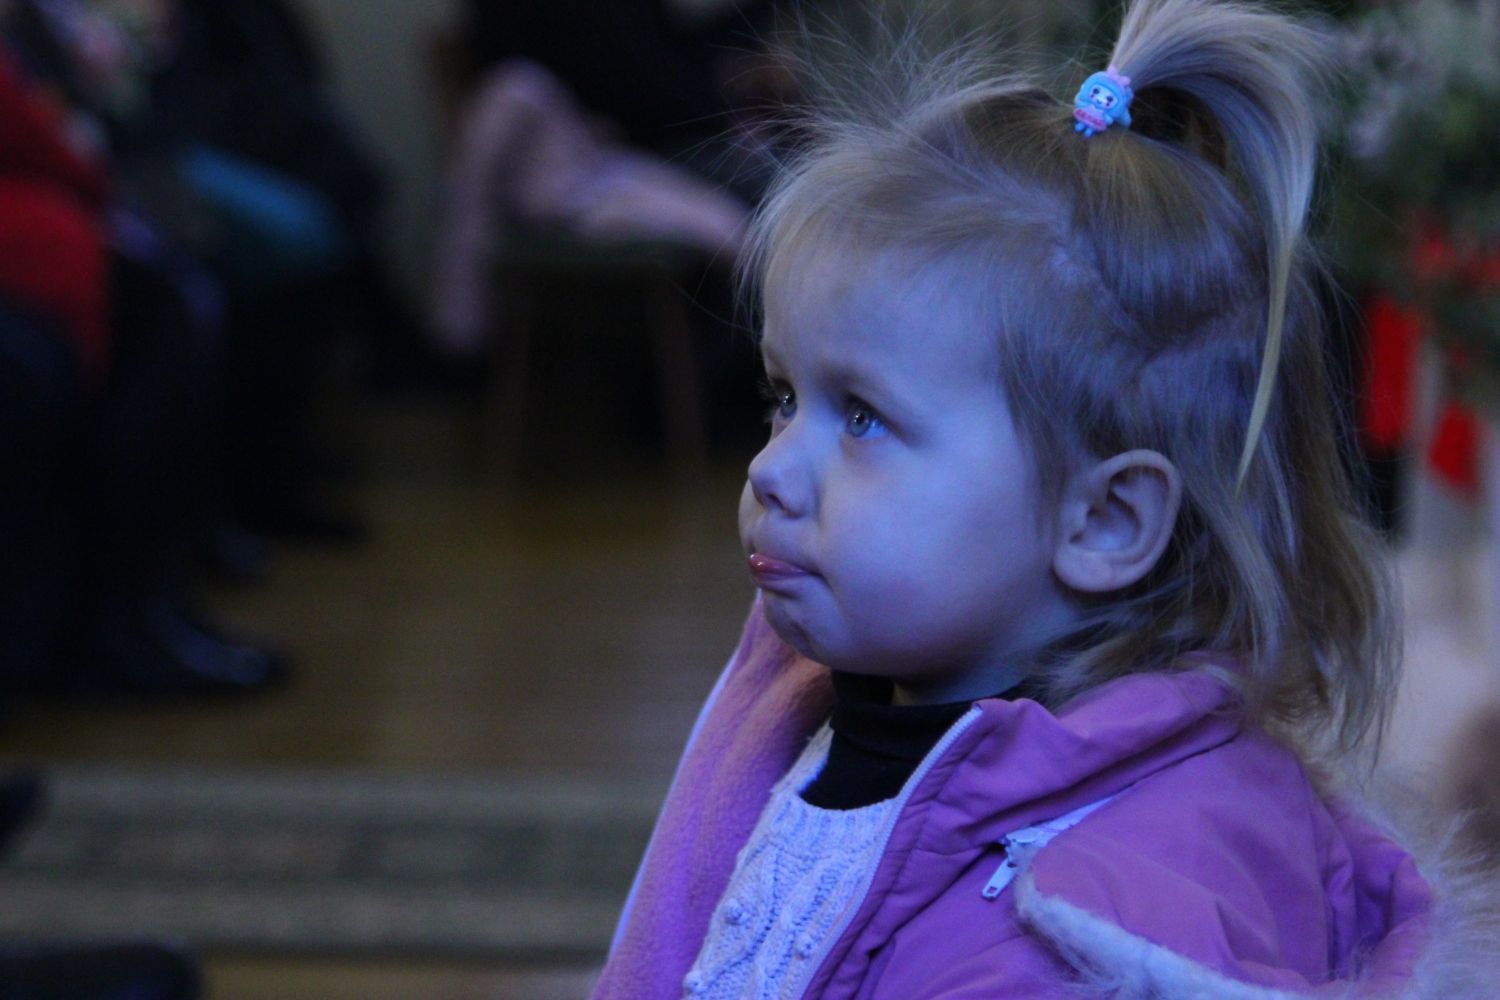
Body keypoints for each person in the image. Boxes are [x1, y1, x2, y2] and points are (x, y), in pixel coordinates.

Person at [591, 0, 1497, 996]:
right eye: (784, 396)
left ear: (1104, 521)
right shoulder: (810, 705)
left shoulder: (1110, 933)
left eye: (862, 418)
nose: (772, 470)